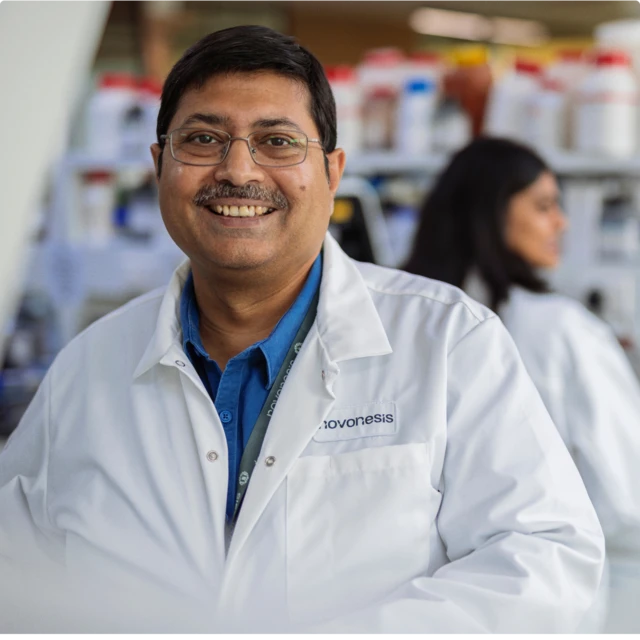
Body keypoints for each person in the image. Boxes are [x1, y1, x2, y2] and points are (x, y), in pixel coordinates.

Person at [0, 27, 603, 636]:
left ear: (332, 171)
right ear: (160, 167)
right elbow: (16, 571)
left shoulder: (448, 340)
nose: (237, 169)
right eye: (203, 139)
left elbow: (545, 557)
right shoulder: (87, 366)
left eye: (277, 141)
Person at [404, 136, 640, 635]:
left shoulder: (401, 318)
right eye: (544, 205)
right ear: (491, 211)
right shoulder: (559, 327)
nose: (562, 223)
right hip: (547, 602)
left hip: (420, 605)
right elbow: (627, 491)